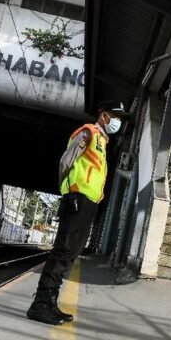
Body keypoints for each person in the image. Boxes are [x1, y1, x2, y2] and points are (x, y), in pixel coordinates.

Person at [26, 101, 127, 325]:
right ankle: (40, 304)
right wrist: (68, 192)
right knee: (63, 250)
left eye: (119, 118)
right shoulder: (88, 132)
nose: (117, 122)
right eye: (114, 116)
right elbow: (66, 161)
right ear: (103, 115)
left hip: (89, 202)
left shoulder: (103, 141)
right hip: (77, 199)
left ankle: (50, 302)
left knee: (72, 253)